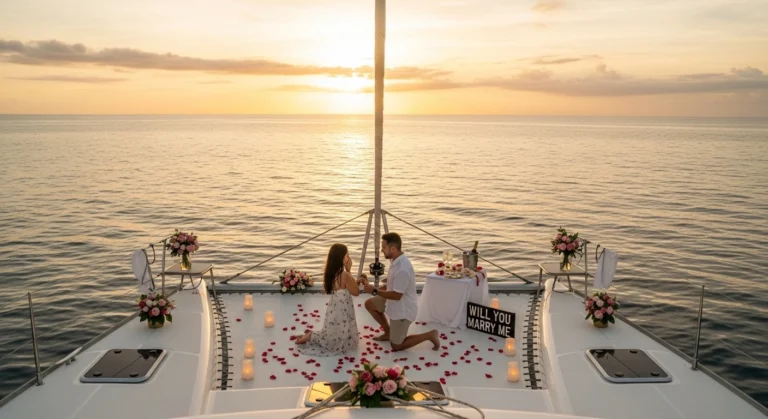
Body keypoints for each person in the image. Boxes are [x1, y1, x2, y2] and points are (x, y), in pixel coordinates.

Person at [362, 232, 439, 351]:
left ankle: (429, 335)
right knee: (370, 304)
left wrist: (375, 291)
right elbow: (393, 286)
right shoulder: (395, 260)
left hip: (403, 309)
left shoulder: (402, 269)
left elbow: (397, 296)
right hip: (393, 300)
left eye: (384, 247)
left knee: (396, 345)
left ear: (393, 248)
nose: (382, 250)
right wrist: (377, 287)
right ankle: (388, 332)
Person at [296, 243, 361, 356]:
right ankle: (312, 336)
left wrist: (354, 279)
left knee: (335, 328)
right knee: (342, 331)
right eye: (347, 255)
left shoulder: (332, 273)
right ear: (340, 258)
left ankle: (312, 336)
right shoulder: (345, 274)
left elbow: (349, 286)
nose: (349, 258)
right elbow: (356, 291)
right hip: (343, 308)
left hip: (335, 306)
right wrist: (349, 270)